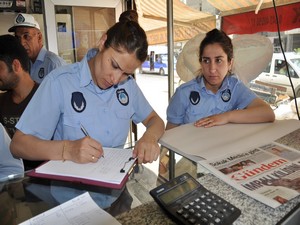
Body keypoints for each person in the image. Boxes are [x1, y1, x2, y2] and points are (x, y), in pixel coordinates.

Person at [10, 10, 165, 211]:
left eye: (126, 73)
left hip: (117, 197)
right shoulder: (60, 83)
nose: (115, 79)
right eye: (114, 65)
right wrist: (68, 149)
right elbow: (19, 145)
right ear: (102, 42)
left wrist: (149, 137)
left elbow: (155, 120)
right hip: (68, 203)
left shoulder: (128, 87)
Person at [166, 28, 275, 130]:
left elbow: (268, 113)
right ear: (201, 63)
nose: (212, 69)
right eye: (206, 61)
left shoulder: (234, 87)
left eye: (218, 60)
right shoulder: (184, 93)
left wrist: (226, 117)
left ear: (229, 63)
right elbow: (170, 133)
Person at [0, 34, 43, 171]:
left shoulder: (46, 98)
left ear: (16, 65)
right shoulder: (2, 102)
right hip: (13, 182)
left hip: (45, 180)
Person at [8, 13, 66, 83]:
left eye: (26, 36)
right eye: (18, 38)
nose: (21, 43)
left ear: (39, 37)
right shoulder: (23, 64)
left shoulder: (54, 63)